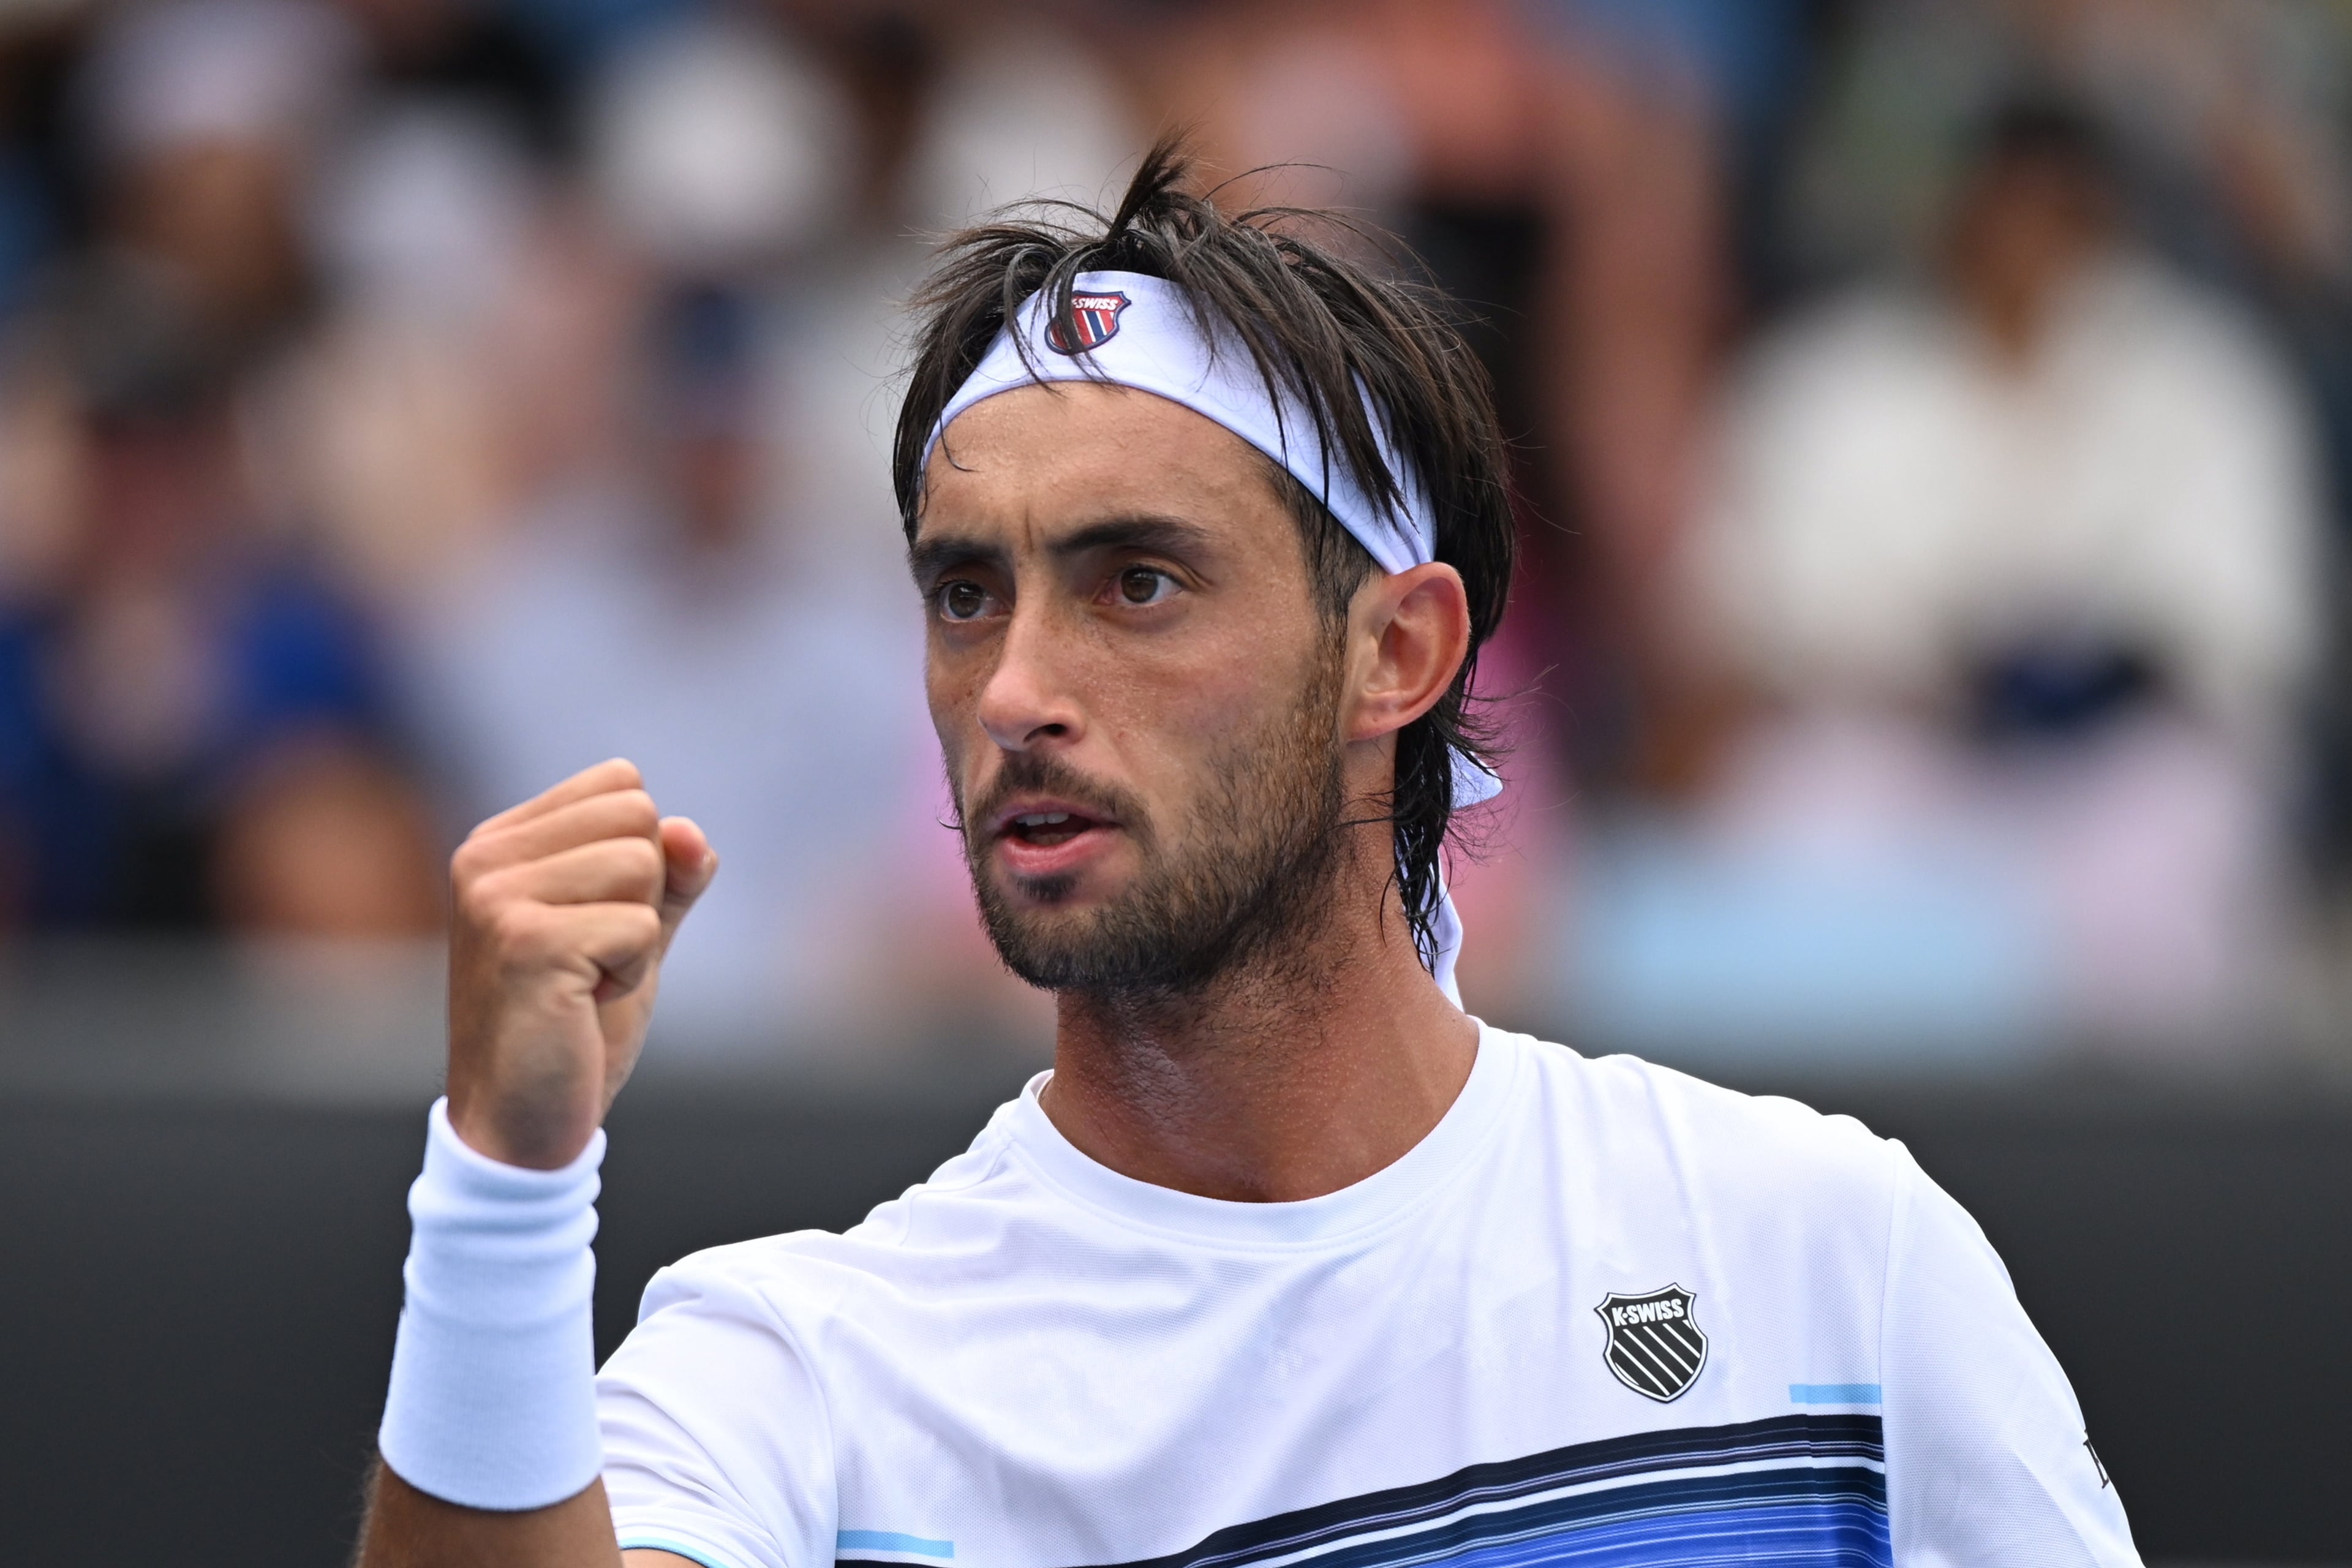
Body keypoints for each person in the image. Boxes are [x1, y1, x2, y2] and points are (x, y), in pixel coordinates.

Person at [355, 144, 2139, 1566]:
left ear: (1401, 655)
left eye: (1138, 581)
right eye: (966, 593)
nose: (1017, 692)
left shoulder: (1830, 1258)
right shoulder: (802, 1370)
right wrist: (509, 1188)